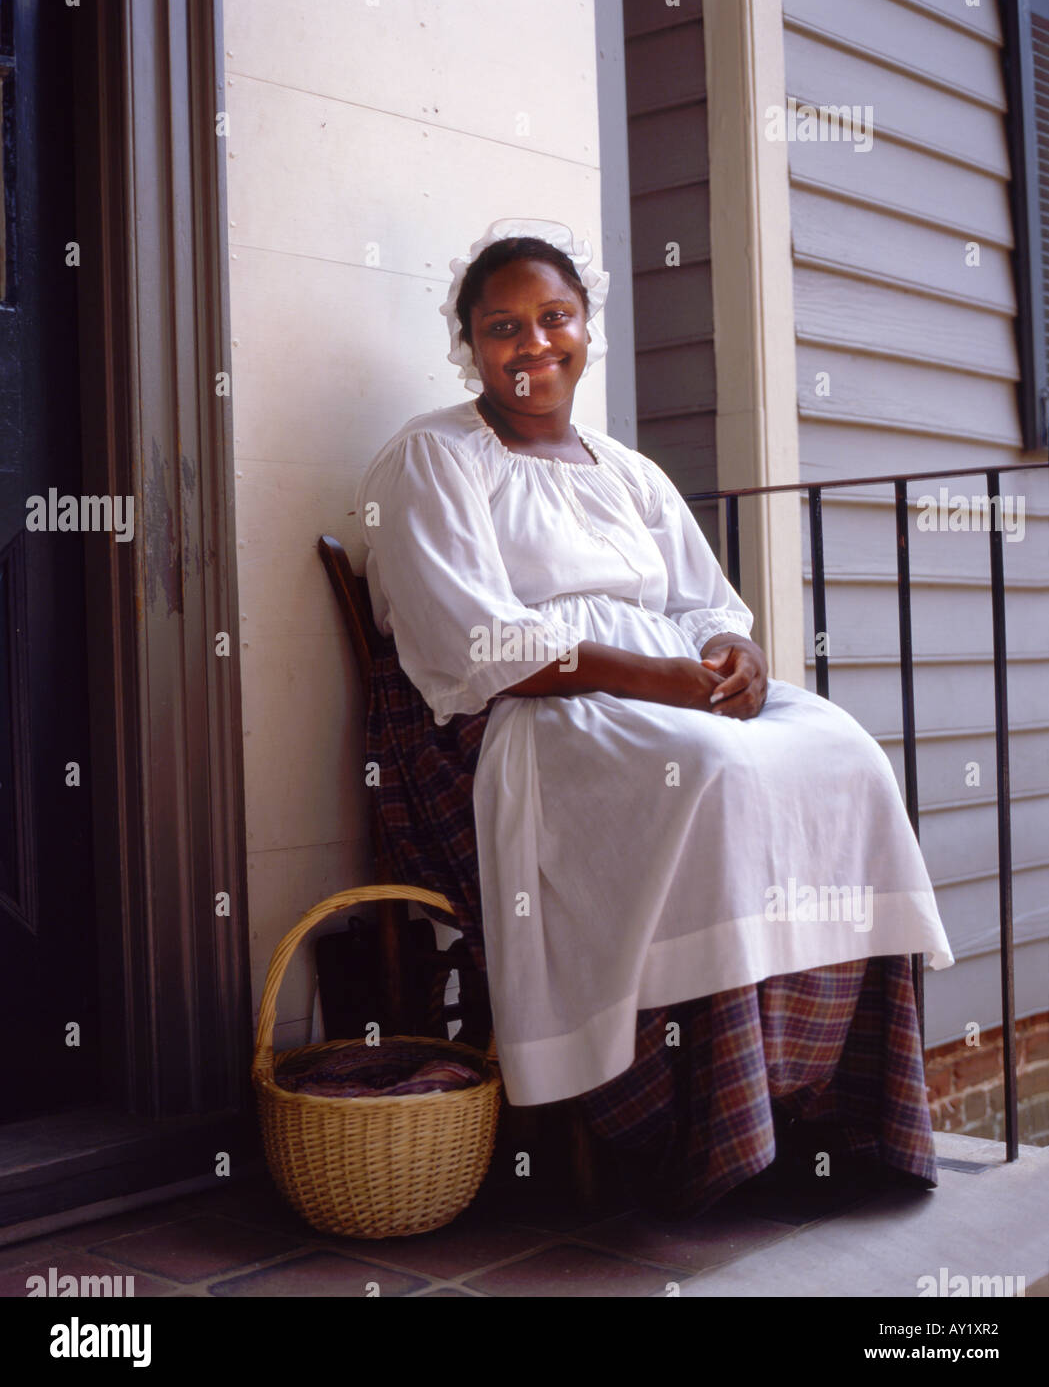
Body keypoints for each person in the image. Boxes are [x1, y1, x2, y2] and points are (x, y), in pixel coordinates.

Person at [355, 218, 954, 1214]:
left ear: (586, 327)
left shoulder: (626, 472)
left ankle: (826, 1108)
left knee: (842, 751)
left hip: (664, 693)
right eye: (503, 326)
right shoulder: (432, 460)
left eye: (554, 318)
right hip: (533, 721)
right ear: (467, 344)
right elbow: (480, 646)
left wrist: (741, 660)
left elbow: (709, 607)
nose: (532, 343)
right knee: (709, 770)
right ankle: (691, 1120)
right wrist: (661, 680)